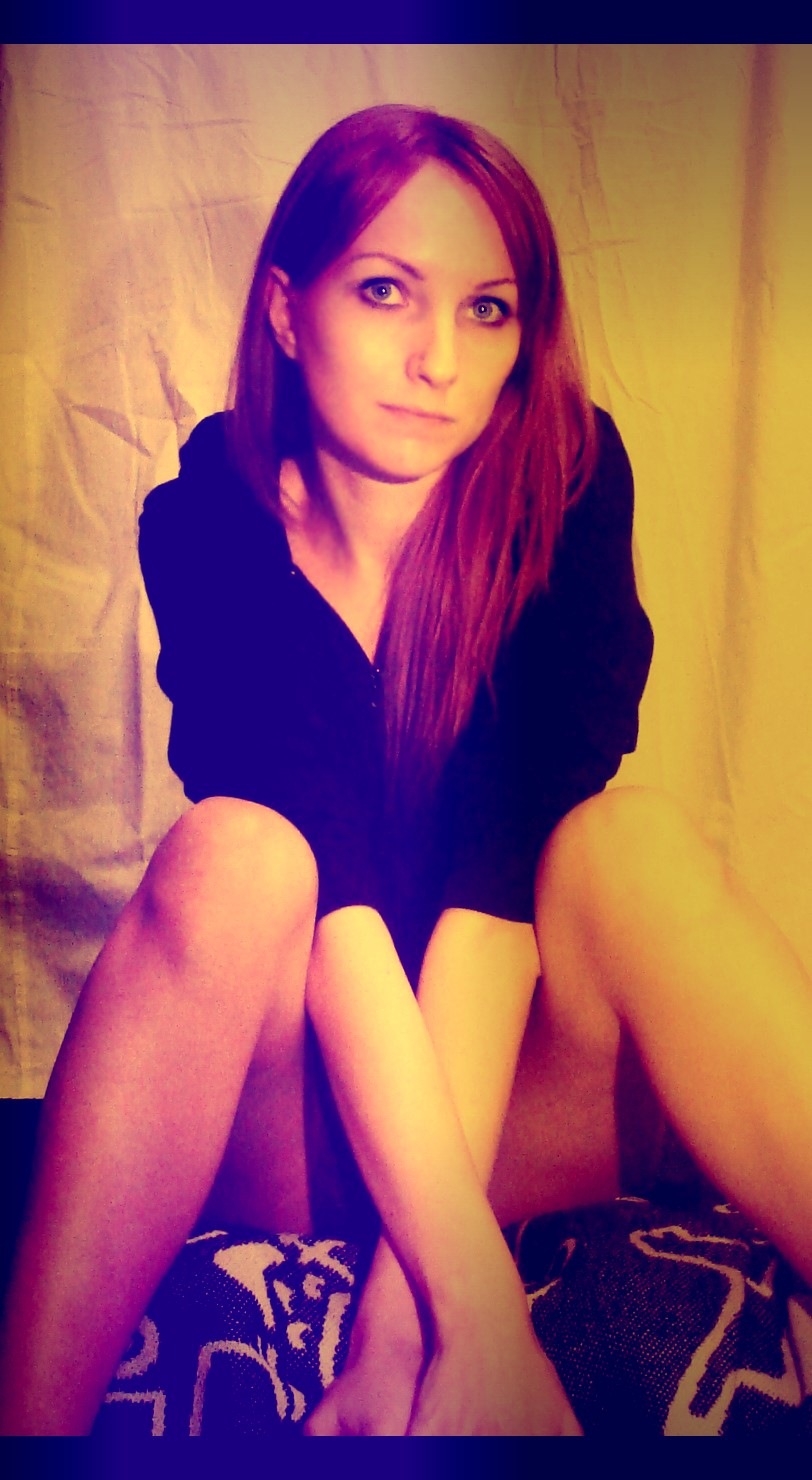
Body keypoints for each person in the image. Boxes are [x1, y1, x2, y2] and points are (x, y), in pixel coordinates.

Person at [1, 103, 811, 1438]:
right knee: (241, 854)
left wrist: (419, 1318)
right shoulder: (209, 516)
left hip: (515, 1112)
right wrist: (464, 1308)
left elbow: (494, 901)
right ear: (286, 310)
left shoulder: (567, 485)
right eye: (386, 291)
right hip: (300, 1128)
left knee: (629, 847)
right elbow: (338, 909)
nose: (439, 359)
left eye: (488, 310)